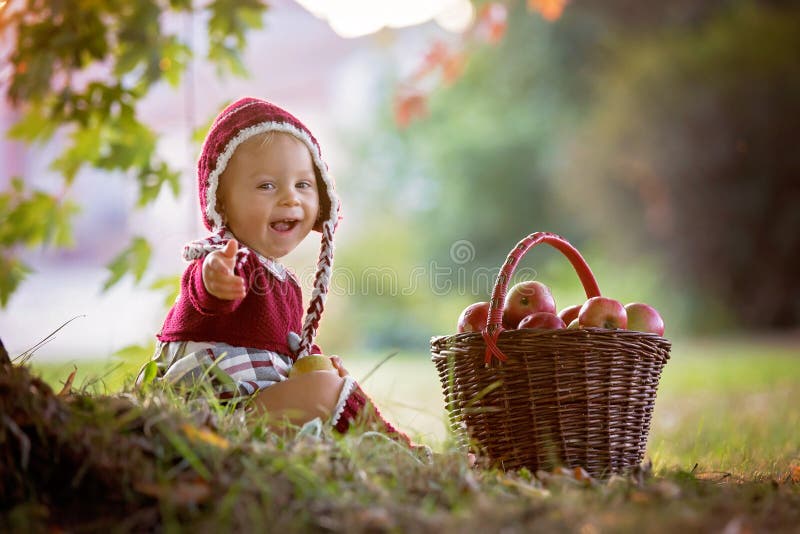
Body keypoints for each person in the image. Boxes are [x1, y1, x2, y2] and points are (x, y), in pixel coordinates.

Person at [138, 97, 411, 445]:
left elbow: (288, 345)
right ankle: (396, 449)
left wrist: (314, 361)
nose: (290, 199)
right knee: (325, 391)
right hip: (217, 414)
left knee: (334, 383)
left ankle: (395, 447)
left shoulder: (285, 283)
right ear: (221, 202)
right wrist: (215, 278)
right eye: (267, 186)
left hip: (255, 407)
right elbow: (202, 292)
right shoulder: (225, 257)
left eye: (303, 185)